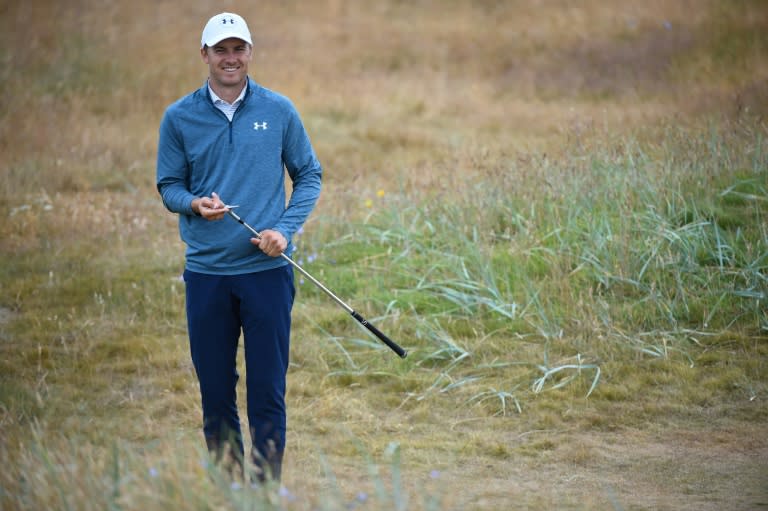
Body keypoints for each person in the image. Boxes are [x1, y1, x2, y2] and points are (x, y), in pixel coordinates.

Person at [156, 12, 322, 483]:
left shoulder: (279, 110)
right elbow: (168, 185)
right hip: (207, 275)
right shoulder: (179, 117)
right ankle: (228, 488)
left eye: (239, 49)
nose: (231, 59)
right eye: (220, 50)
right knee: (215, 389)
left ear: (250, 52)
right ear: (204, 54)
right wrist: (192, 203)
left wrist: (285, 230)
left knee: (268, 389)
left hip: (266, 273)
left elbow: (308, 174)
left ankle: (264, 489)